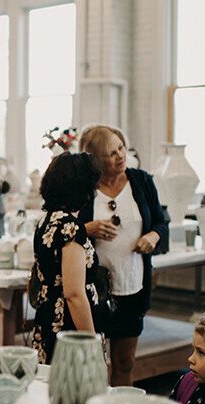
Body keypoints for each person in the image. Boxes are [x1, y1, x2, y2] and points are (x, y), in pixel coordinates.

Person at [78, 124, 168, 386]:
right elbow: (65, 229)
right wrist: (88, 229)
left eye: (121, 147)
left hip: (132, 284)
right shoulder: (84, 188)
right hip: (93, 288)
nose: (120, 155)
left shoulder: (142, 181)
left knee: (125, 361)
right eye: (111, 153)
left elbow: (161, 223)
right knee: (92, 363)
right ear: (95, 159)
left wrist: (153, 236)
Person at [30, 151, 102, 364]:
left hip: (47, 312)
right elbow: (74, 294)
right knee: (76, 388)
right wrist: (92, 343)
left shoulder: (46, 221)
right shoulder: (71, 227)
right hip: (68, 322)